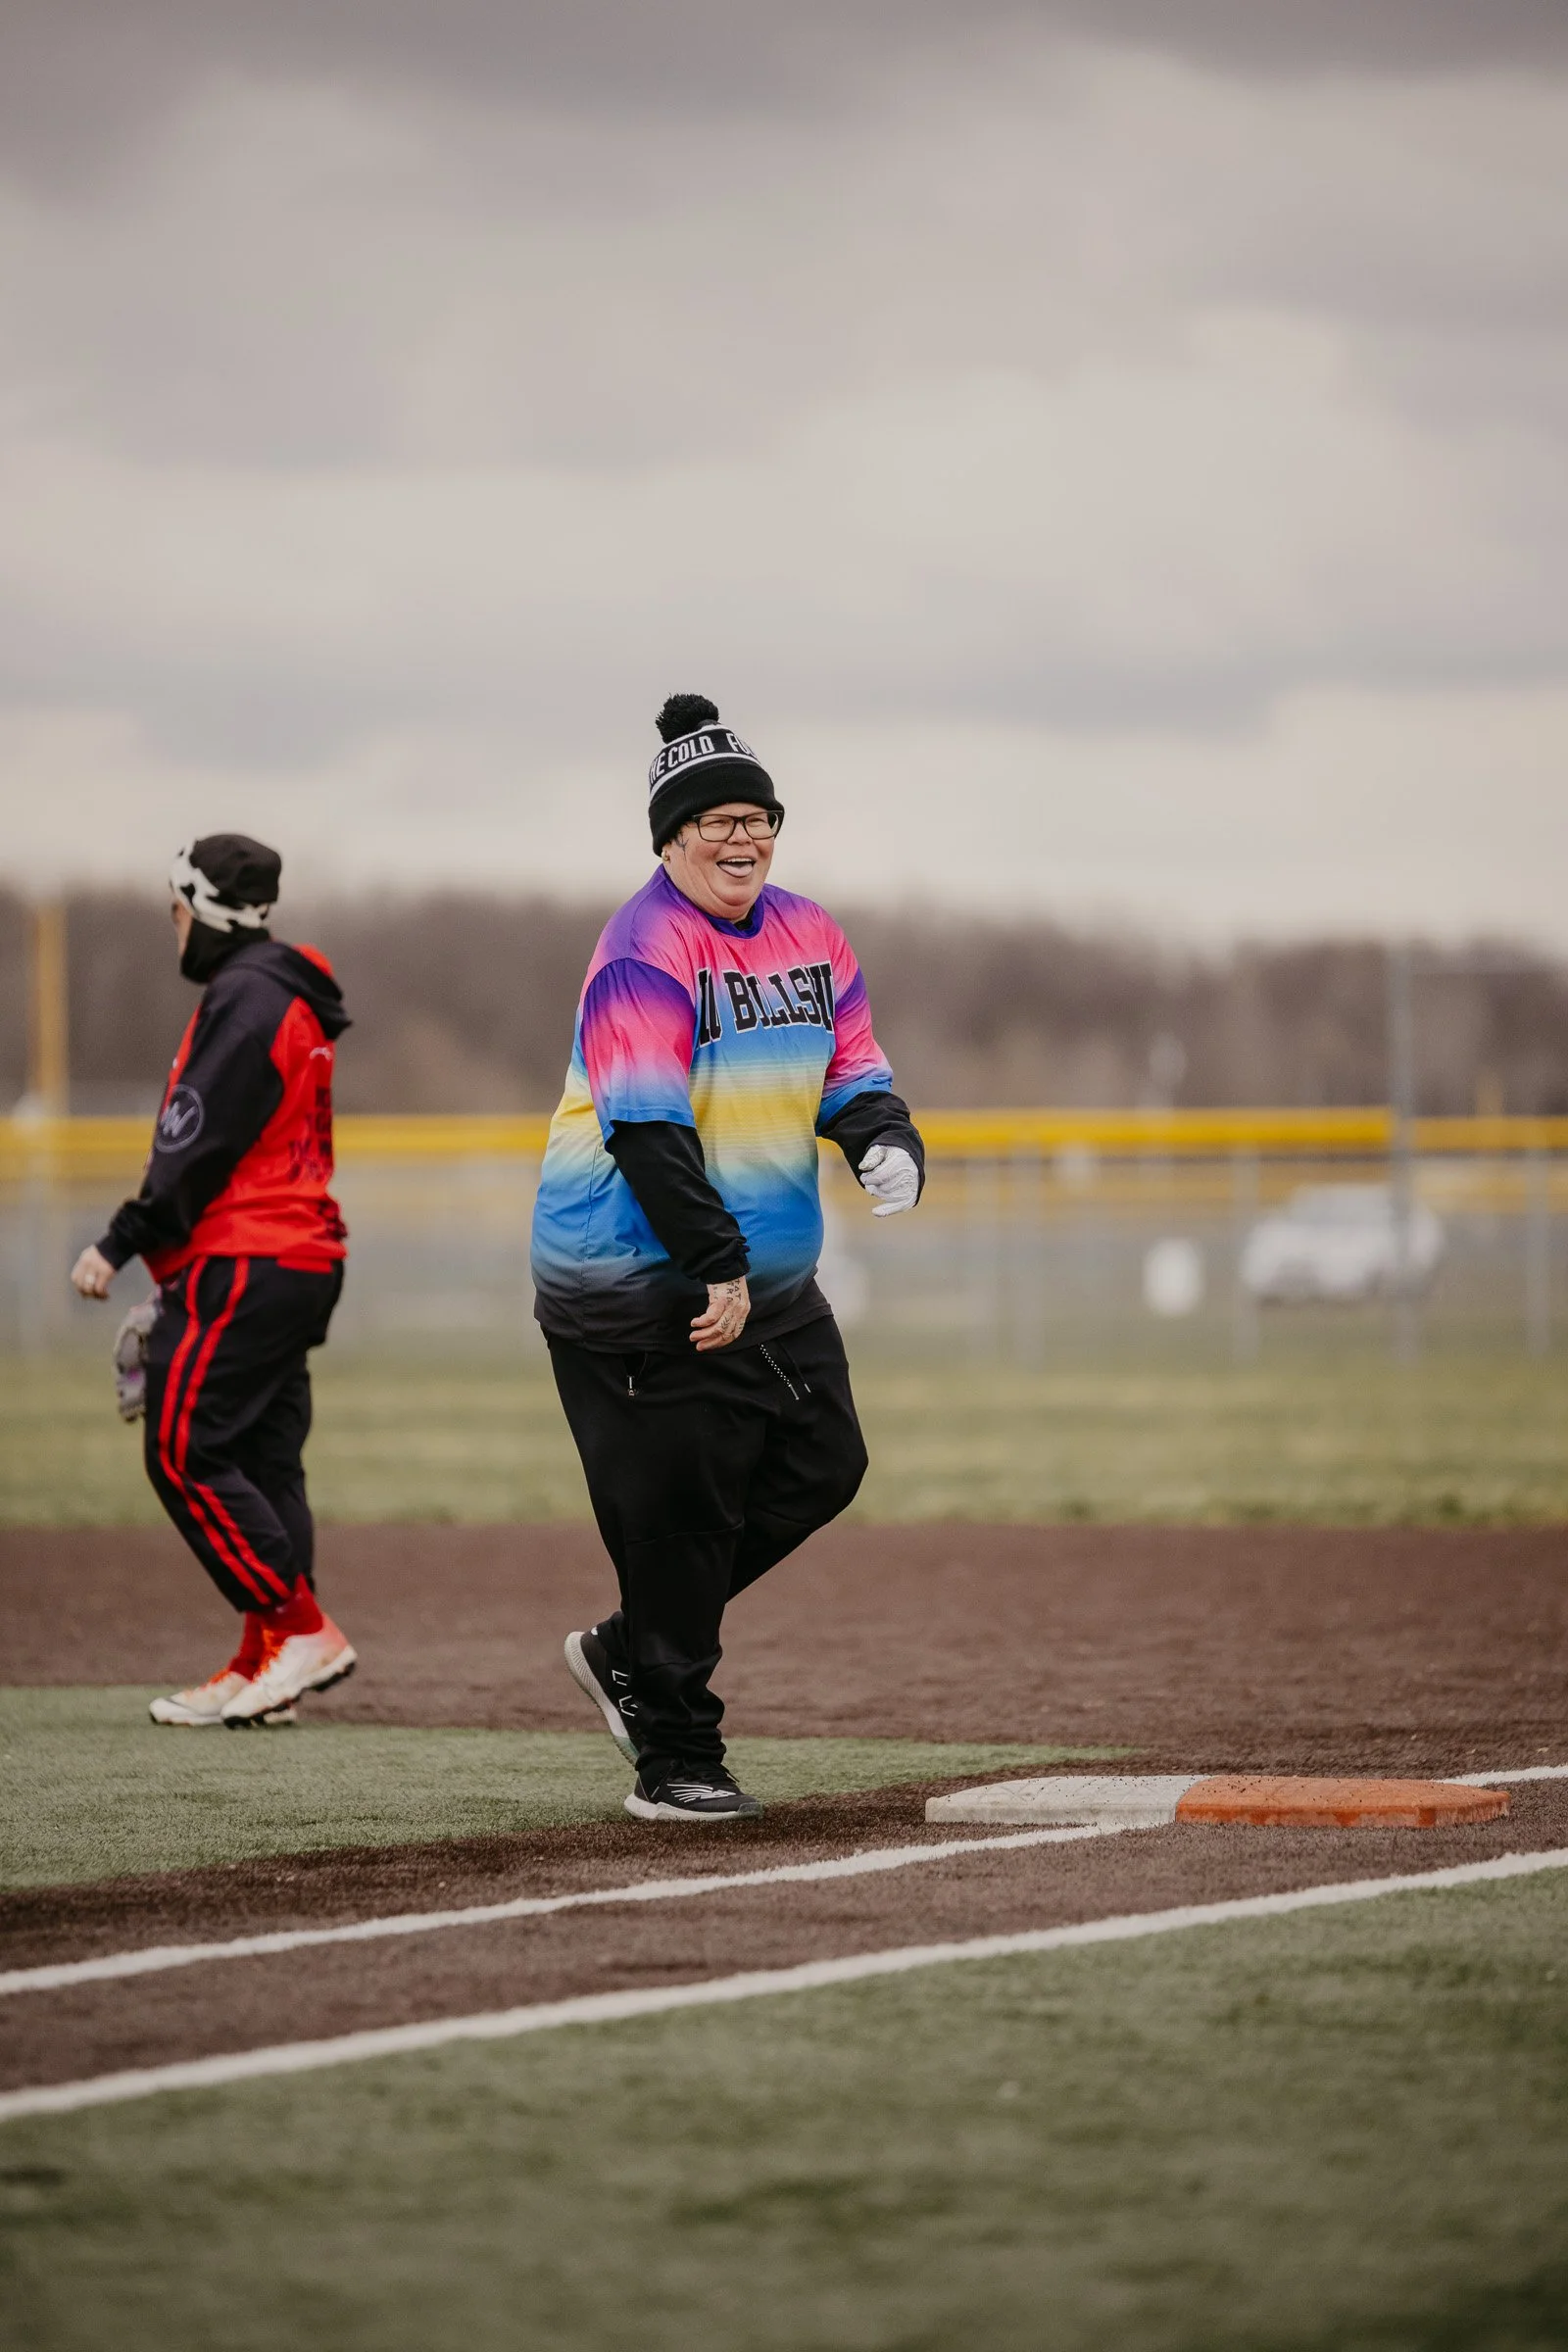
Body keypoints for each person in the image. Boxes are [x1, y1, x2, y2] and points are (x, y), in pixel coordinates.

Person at [532, 694, 924, 1822]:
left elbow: (850, 1066)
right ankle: (675, 1756)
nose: (741, 838)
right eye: (715, 821)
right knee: (682, 1514)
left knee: (825, 1460)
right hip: (633, 1272)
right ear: (669, 838)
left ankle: (631, 1640)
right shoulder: (641, 950)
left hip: (763, 1273)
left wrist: (881, 1139)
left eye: (757, 817)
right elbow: (648, 1130)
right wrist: (714, 1264)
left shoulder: (812, 933)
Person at [70, 834, 358, 1728]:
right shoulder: (282, 992)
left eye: (179, 910)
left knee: (182, 1448)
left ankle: (302, 1632)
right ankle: (268, 1659)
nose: (174, 928)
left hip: (247, 1255)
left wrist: (121, 1241)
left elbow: (196, 1143)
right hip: (298, 1254)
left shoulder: (245, 998)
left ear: (212, 913)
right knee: (265, 1460)